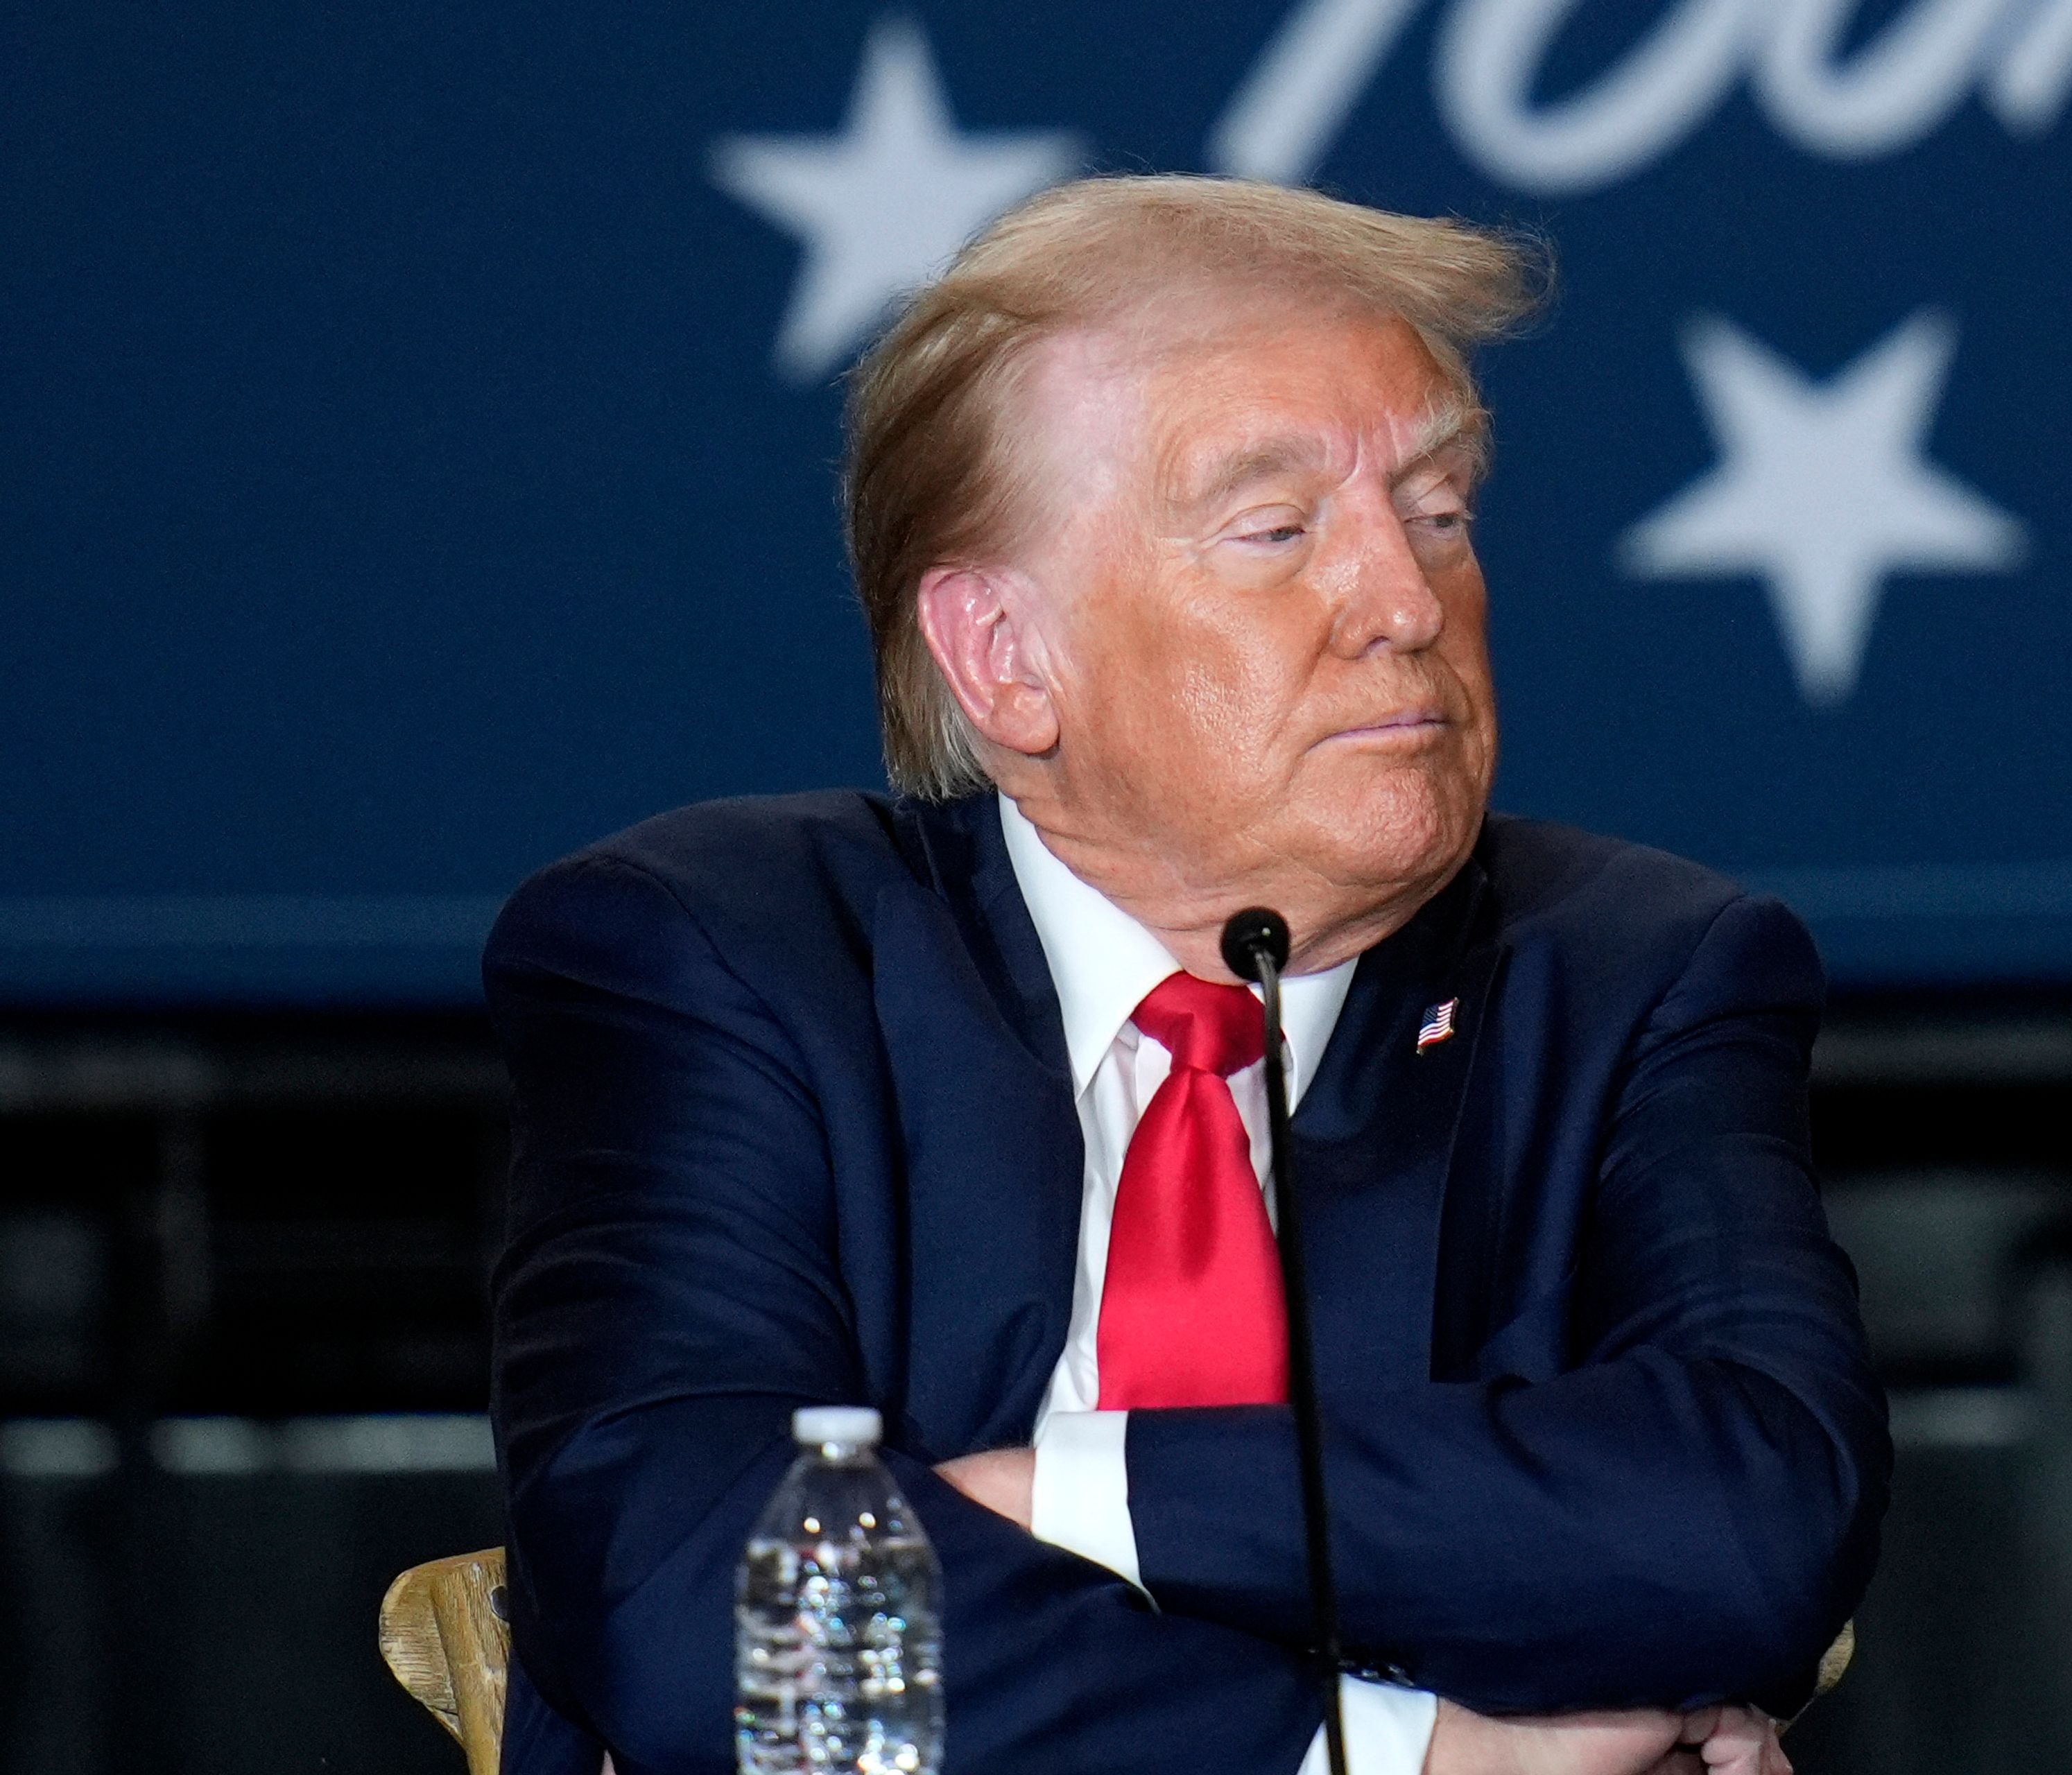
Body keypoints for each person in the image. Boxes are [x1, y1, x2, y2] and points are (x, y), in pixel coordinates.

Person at [486, 175, 1887, 1775]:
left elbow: (1755, 1519)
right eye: (1278, 529)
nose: (1409, 602)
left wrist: (1076, 1490)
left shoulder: (1636, 973)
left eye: (1439, 511)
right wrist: (1421, 1755)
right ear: (1007, 657)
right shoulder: (727, 956)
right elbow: (718, 1621)